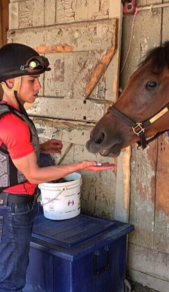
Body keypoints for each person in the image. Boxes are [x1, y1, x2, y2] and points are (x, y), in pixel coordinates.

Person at [0, 43, 115, 292]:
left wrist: (39, 148)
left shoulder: (7, 113)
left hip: (9, 205)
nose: (38, 87)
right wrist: (81, 164)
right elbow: (33, 174)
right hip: (13, 209)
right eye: (32, 81)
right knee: (10, 281)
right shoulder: (13, 122)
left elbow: (7, 152)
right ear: (10, 82)